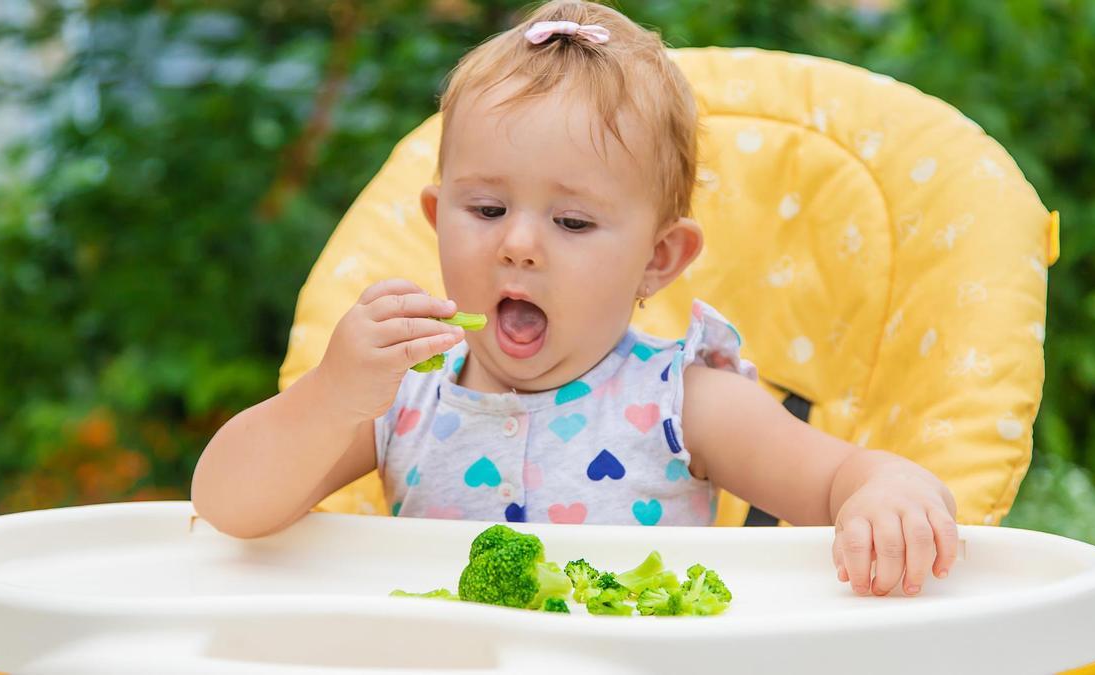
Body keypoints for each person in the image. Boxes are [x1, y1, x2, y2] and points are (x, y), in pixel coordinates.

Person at [192, 0, 958, 598]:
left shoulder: (684, 401)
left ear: (658, 259)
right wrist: (329, 397)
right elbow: (228, 507)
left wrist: (885, 490)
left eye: (572, 221)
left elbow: (837, 479)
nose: (519, 244)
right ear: (436, 220)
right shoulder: (405, 400)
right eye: (486, 210)